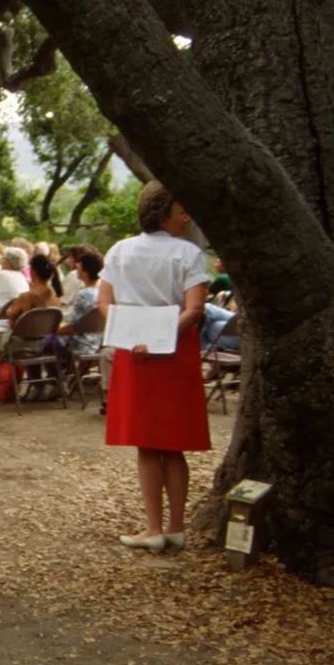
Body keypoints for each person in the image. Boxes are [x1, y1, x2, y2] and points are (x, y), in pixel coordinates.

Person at [99, 181, 210, 553]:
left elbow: (104, 303)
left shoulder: (119, 251)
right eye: (181, 210)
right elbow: (195, 310)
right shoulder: (189, 254)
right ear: (164, 215)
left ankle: (153, 528)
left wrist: (132, 332)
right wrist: (161, 334)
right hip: (176, 351)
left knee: (147, 445)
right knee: (174, 445)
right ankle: (176, 527)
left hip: (135, 353)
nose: (186, 216)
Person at [0, 253, 61, 408]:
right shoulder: (54, 296)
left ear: (33, 272)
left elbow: (12, 323)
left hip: (18, 345)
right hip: (41, 344)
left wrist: (10, 313)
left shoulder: (27, 296)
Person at [0, 246, 30, 321]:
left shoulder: (2, 275)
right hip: (13, 319)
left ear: (8, 262)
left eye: (3, 259)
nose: (1, 261)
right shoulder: (23, 278)